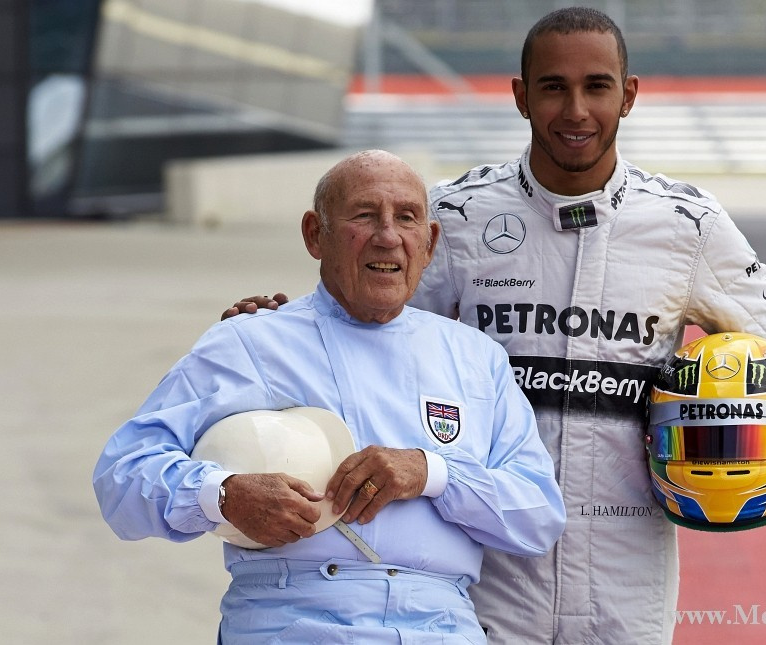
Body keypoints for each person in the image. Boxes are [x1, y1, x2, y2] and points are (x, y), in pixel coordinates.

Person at [223, 7, 766, 644]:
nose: (575, 110)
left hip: (626, 568)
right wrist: (281, 326)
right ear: (521, 96)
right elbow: (361, 320)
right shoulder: (457, 215)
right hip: (483, 561)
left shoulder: (685, 224)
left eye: (596, 87)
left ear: (628, 95)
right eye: (553, 87)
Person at [94, 149, 567, 644]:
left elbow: (538, 516)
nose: (388, 236)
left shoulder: (474, 357)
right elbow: (122, 475)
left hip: (440, 625)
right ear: (314, 235)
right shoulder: (251, 341)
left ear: (429, 244)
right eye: (364, 215)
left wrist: (432, 473)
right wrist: (224, 495)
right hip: (292, 620)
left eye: (406, 218)